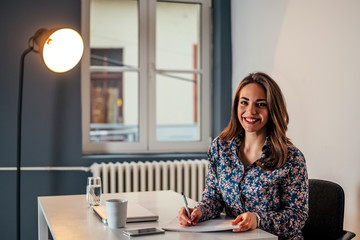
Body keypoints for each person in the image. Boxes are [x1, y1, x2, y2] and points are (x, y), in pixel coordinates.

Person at [178, 72, 309, 239]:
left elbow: (297, 217)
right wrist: (199, 211)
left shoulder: (291, 158)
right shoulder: (220, 147)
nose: (250, 111)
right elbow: (213, 196)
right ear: (236, 106)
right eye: (244, 103)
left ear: (272, 109)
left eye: (260, 104)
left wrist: (259, 220)